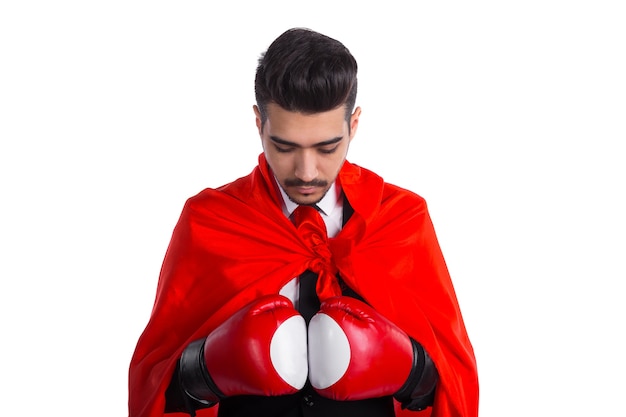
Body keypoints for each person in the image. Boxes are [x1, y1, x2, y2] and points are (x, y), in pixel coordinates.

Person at [128, 27, 479, 417]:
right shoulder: (210, 221)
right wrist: (208, 367)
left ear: (354, 126)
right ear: (259, 124)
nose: (307, 171)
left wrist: (410, 367)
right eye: (285, 146)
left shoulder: (400, 219)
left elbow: (451, 379)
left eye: (328, 148)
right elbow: (156, 381)